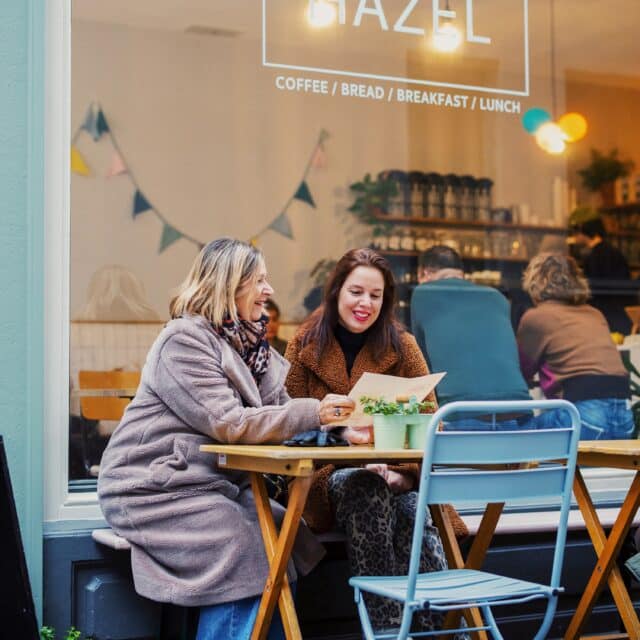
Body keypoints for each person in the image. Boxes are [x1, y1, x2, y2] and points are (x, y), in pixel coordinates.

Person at [97, 238, 355, 640]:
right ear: (227, 285)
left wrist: (344, 429)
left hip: (215, 486)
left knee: (281, 538)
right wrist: (316, 411)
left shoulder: (253, 347)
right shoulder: (183, 341)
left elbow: (284, 413)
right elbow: (229, 422)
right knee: (246, 550)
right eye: (259, 281)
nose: (269, 291)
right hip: (157, 486)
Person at [285, 247, 466, 634]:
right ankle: (389, 629)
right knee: (366, 487)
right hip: (324, 480)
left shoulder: (403, 346)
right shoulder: (303, 346)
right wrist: (340, 436)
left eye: (375, 295)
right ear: (335, 292)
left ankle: (443, 631)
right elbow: (285, 425)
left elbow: (431, 425)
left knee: (412, 507)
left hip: (397, 481)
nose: (365, 303)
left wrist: (404, 474)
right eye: (356, 292)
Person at [410, 245, 532, 429]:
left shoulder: (424, 292)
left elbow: (421, 363)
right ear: (462, 273)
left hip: (459, 410)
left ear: (424, 273)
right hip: (518, 408)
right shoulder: (496, 296)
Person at [518, 253, 634, 440]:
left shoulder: (536, 317)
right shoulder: (595, 314)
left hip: (582, 416)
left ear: (534, 282)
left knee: (516, 433)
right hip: (624, 419)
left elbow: (520, 374)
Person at [569, 210, 633, 333]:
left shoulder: (595, 256)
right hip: (620, 315)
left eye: (576, 231)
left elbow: (593, 291)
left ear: (584, 230)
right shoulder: (613, 251)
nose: (574, 237)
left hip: (605, 318)